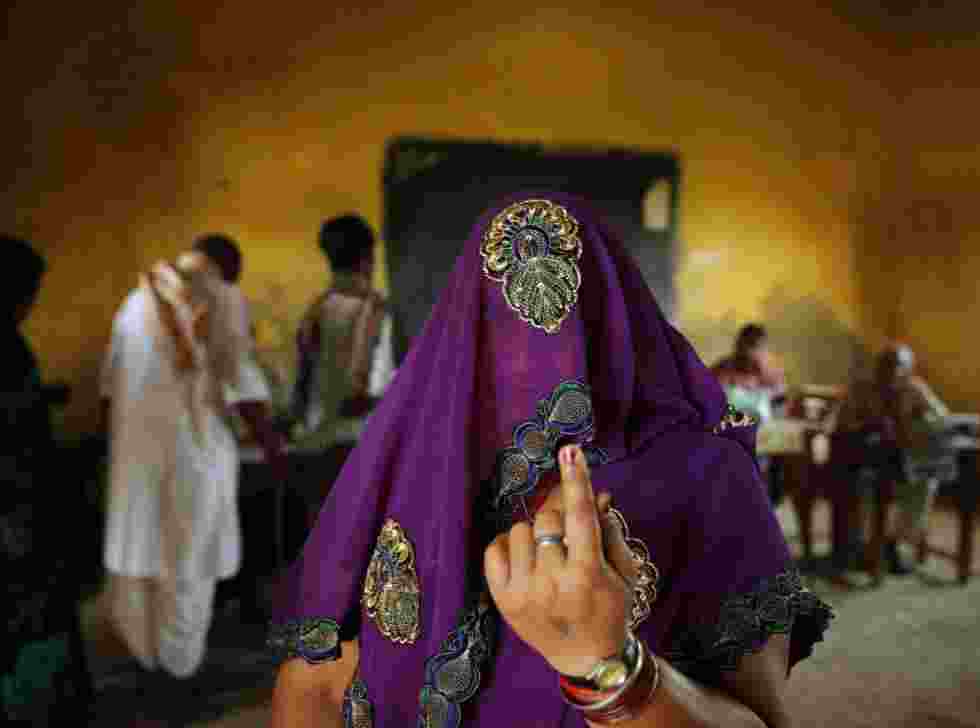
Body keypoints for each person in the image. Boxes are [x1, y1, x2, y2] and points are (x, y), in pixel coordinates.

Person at [268, 195, 832, 727]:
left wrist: (607, 665)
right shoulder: (401, 476)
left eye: (570, 308)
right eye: (503, 316)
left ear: (615, 321)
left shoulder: (705, 475)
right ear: (466, 332)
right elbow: (313, 687)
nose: (542, 343)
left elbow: (764, 719)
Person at [99, 234, 285, 725]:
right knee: (190, 576)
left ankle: (151, 673)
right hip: (193, 469)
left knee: (149, 572)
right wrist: (275, 451)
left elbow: (107, 394)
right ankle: (178, 688)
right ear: (229, 268)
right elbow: (245, 392)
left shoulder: (134, 302)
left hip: (136, 466)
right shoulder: (219, 296)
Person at [1, 235, 94, 724]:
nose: (32, 304)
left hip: (22, 501)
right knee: (33, 615)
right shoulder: (6, 345)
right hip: (16, 507)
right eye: (29, 292)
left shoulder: (12, 343)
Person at [287, 215, 395, 524]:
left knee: (321, 534)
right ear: (368, 257)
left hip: (314, 439)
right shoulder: (376, 310)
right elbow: (376, 387)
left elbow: (301, 385)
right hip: (357, 440)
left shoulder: (315, 310)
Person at [833, 343, 955, 575]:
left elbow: (943, 420)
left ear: (908, 370)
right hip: (867, 459)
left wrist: (921, 421)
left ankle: (896, 543)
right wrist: (865, 425)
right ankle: (869, 545)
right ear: (876, 368)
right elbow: (841, 423)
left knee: (925, 482)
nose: (888, 372)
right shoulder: (861, 389)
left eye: (896, 366)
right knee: (865, 485)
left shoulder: (916, 389)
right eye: (883, 365)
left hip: (905, 458)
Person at [713, 324, 788, 506]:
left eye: (757, 349)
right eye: (748, 347)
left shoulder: (772, 375)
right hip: (729, 440)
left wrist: (768, 380)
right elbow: (709, 402)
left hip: (764, 444)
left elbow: (782, 410)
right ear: (740, 347)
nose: (751, 354)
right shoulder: (724, 370)